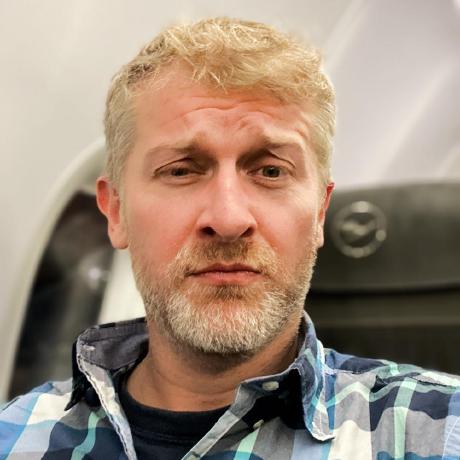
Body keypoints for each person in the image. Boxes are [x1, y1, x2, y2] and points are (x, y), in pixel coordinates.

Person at [1, 17, 459, 460]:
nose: (227, 219)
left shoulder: (437, 433)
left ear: (320, 211)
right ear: (116, 211)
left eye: (271, 171)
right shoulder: (16, 438)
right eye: (181, 170)